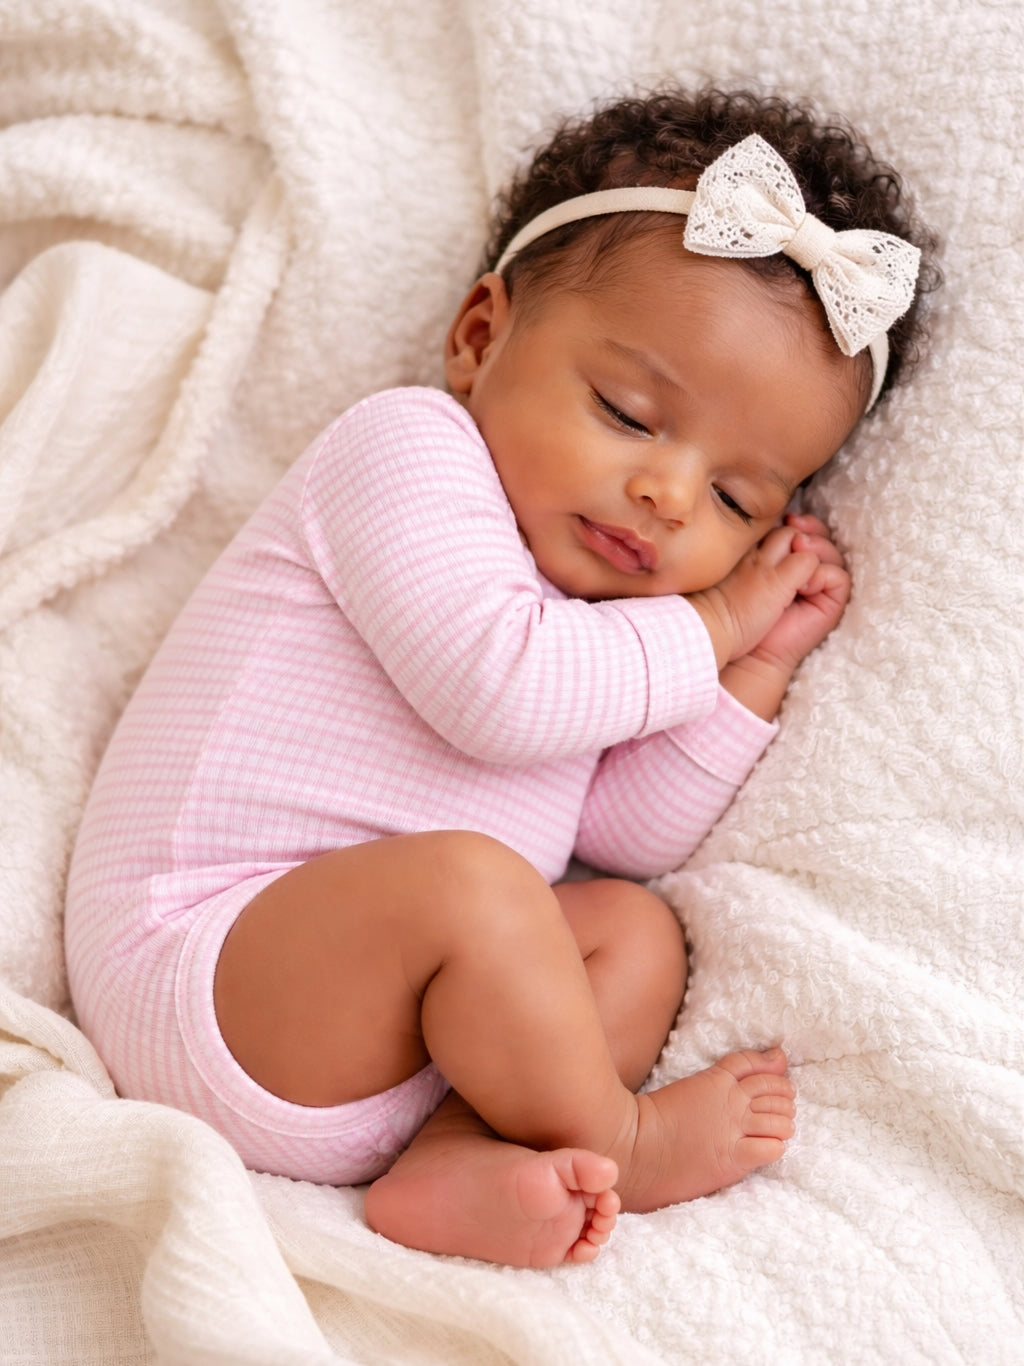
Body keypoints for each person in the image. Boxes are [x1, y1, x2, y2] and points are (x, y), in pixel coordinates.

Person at [65, 86, 937, 1268]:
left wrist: (756, 667)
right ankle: (618, 1134)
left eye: (736, 497)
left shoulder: (612, 623)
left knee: (629, 926)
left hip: (408, 1042)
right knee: (476, 888)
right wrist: (717, 616)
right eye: (627, 413)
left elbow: (623, 828)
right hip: (207, 976)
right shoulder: (409, 451)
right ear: (481, 339)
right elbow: (498, 691)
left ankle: (465, 1154)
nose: (670, 498)